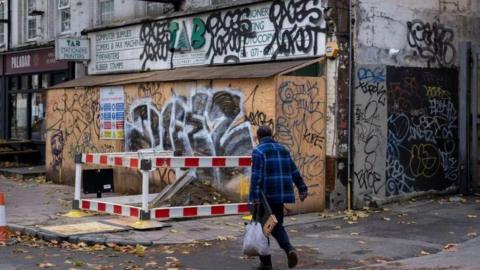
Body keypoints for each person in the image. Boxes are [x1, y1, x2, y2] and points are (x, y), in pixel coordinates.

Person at [249, 125, 308, 270]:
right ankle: (289, 249)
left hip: (265, 197)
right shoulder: (283, 150)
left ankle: (266, 263)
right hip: (280, 196)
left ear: (258, 137)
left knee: (263, 230)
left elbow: (256, 177)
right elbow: (294, 171)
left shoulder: (258, 151)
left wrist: (253, 199)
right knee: (276, 226)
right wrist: (302, 188)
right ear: (272, 135)